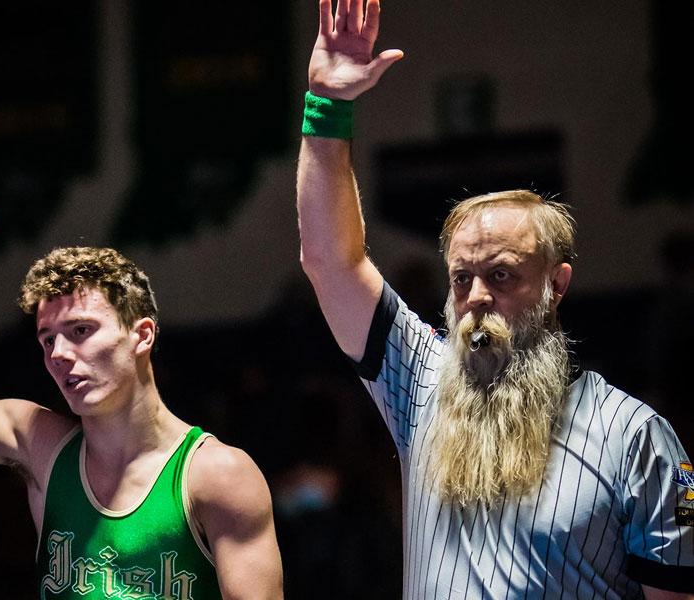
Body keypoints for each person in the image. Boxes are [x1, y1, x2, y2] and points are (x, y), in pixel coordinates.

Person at [296, 0, 694, 598]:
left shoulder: (635, 438)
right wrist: (327, 106)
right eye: (460, 279)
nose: (476, 297)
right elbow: (331, 261)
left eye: (502, 276)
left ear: (557, 285)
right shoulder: (420, 382)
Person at [0, 192, 284, 599]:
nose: (59, 354)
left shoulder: (217, 475)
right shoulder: (42, 447)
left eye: (80, 331)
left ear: (141, 335)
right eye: (47, 340)